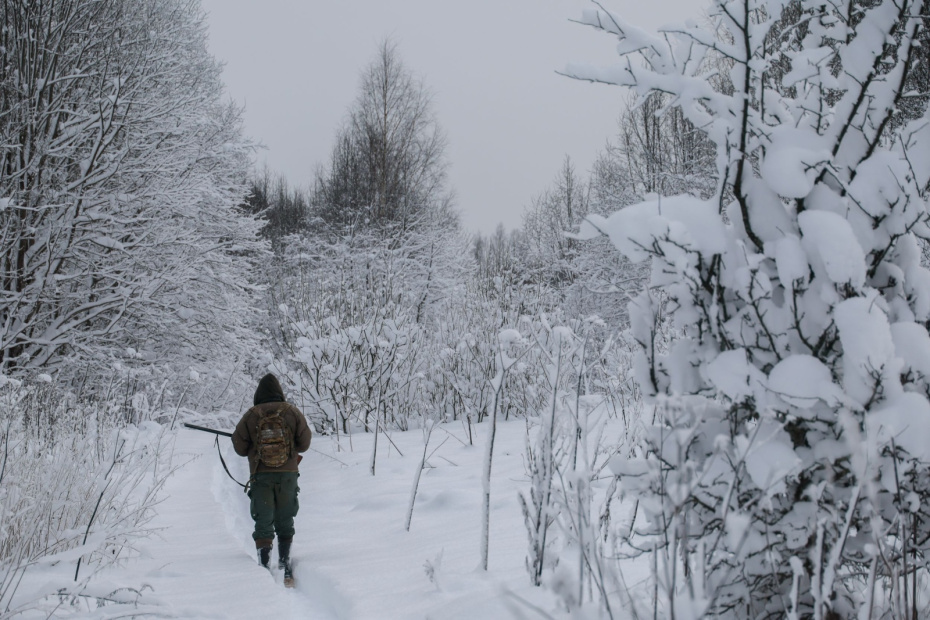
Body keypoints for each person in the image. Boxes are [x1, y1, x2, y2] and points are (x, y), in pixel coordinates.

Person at [232, 373, 312, 577]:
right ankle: (285, 563)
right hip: (288, 475)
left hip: (261, 475)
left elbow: (240, 448)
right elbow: (305, 443)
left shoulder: (251, 414)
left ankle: (264, 566)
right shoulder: (291, 412)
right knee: (286, 516)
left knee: (263, 519)